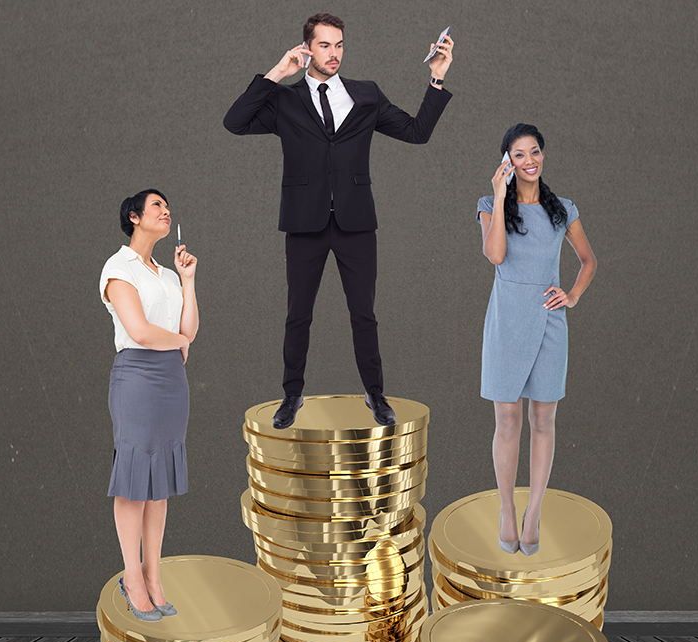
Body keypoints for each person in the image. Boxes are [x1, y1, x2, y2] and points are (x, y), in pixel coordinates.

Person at [224, 13, 455, 429]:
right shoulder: (285, 100)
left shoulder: (366, 95)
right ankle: (291, 395)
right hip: (303, 222)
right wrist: (277, 73)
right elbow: (234, 122)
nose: (334, 54)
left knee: (363, 314)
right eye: (325, 45)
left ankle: (375, 394)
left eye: (340, 45)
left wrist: (436, 79)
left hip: (356, 222)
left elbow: (417, 132)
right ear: (307, 48)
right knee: (298, 315)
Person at [477, 124, 597, 555]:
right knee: (507, 420)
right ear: (507, 162)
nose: (530, 161)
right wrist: (501, 193)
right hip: (507, 318)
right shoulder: (491, 205)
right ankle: (508, 509)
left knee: (543, 420)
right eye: (519, 155)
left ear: (543, 156)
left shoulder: (562, 209)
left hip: (549, 320)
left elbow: (588, 259)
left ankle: (535, 511)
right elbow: (496, 255)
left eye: (535, 153)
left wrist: (573, 294)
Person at [99, 189, 199, 620]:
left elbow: (188, 326)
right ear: (135, 217)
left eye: (167, 207)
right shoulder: (117, 267)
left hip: (173, 381)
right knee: (135, 479)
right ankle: (132, 577)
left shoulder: (169, 275)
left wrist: (189, 280)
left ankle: (154, 577)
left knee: (159, 484)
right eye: (157, 206)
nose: (166, 211)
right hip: (137, 376)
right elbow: (140, 331)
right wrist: (180, 341)